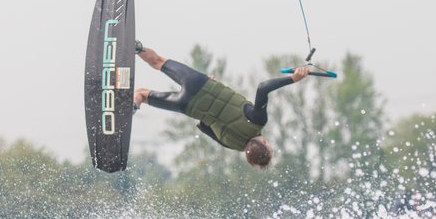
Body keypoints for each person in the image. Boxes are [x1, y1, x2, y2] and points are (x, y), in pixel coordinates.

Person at [133, 42, 310, 169]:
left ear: (264, 142)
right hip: (187, 106)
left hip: (200, 84)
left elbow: (263, 88)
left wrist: (294, 78)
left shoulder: (258, 121)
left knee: (157, 61)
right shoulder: (231, 145)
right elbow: (203, 126)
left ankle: (137, 48)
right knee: (143, 95)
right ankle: (134, 102)